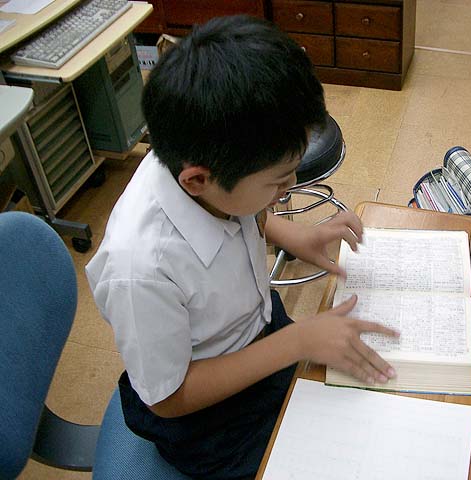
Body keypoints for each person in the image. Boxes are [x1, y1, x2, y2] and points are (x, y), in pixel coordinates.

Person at [86, 15, 398, 480]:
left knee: (362, 405)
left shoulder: (202, 161)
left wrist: (294, 237)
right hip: (208, 418)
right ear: (197, 180)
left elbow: (244, 211)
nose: (288, 191)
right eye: (278, 182)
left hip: (259, 328)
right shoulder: (140, 268)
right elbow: (169, 398)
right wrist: (297, 341)